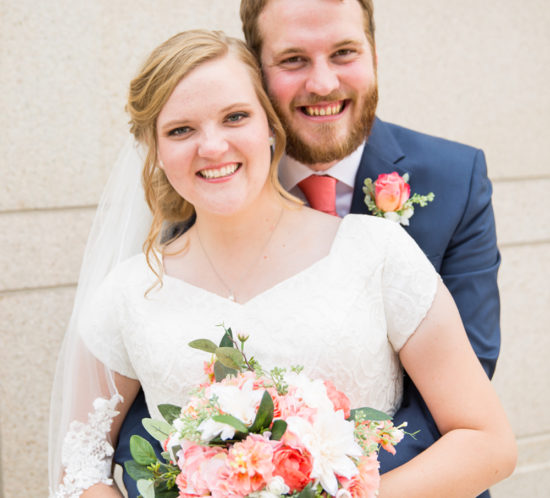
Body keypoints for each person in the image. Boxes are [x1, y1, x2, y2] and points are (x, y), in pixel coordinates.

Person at [48, 29, 515, 498]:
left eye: (235, 117)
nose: (211, 147)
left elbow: (488, 443)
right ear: (155, 150)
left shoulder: (375, 252)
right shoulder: (129, 293)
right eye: (180, 130)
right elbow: (81, 465)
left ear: (270, 126)